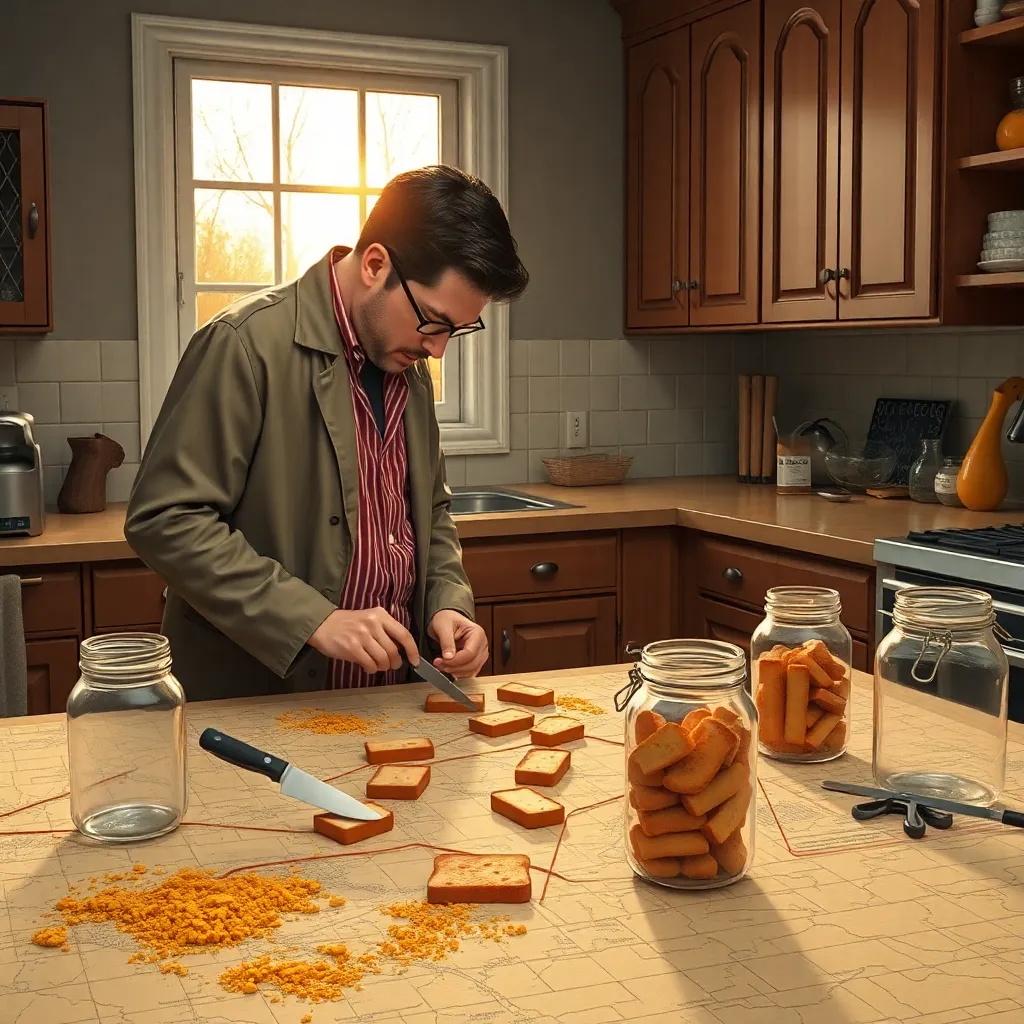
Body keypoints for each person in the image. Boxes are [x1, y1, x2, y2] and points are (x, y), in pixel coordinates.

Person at [124, 165, 529, 702]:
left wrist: (449, 603)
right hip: (259, 702)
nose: (438, 349)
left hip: (388, 701)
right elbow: (165, 520)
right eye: (433, 321)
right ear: (376, 264)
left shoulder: (406, 361)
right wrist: (312, 619)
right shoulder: (242, 345)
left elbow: (428, 512)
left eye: (456, 329)